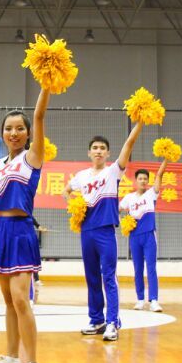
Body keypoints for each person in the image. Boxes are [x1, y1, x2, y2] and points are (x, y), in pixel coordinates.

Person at [0, 87, 50, 363]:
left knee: (22, 300)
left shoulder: (32, 157)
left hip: (21, 231)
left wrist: (46, 83)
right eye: (9, 128)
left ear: (28, 133)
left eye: (20, 128)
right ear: (2, 133)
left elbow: (39, 115)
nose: (14, 133)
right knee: (9, 301)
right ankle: (11, 357)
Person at [64, 126, 143, 342]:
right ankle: (96, 320)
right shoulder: (81, 176)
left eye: (102, 148)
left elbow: (128, 144)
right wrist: (74, 206)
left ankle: (112, 323)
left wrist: (139, 123)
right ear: (89, 152)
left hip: (105, 231)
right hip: (86, 231)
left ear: (108, 153)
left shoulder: (113, 171)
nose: (98, 151)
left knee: (108, 276)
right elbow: (66, 191)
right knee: (91, 277)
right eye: (95, 148)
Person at [118, 163, 168, 312]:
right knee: (138, 269)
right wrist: (121, 222)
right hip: (134, 237)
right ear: (136, 180)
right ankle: (140, 300)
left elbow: (159, 175)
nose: (143, 181)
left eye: (145, 179)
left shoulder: (152, 193)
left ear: (148, 181)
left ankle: (154, 301)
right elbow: (116, 209)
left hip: (149, 236)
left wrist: (166, 159)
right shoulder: (129, 198)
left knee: (151, 268)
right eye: (140, 178)